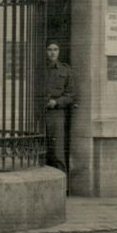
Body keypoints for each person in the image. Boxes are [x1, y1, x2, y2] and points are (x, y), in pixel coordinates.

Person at [43, 42, 75, 178]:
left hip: (57, 113)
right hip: (39, 113)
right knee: (40, 148)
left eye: (55, 49)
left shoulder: (65, 70)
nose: (52, 53)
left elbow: (71, 94)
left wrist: (56, 102)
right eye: (49, 49)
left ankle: (62, 184)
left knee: (57, 150)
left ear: (59, 51)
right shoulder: (39, 68)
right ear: (45, 51)